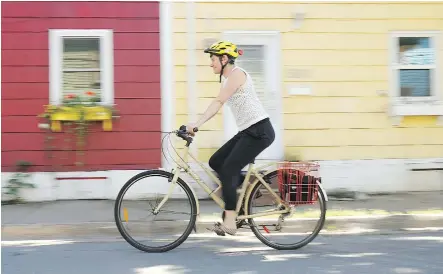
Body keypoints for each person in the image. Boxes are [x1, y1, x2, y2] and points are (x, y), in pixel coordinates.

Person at [185, 41, 275, 236]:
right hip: (248, 130)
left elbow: (218, 102)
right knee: (216, 161)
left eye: (213, 59)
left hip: (259, 131)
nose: (211, 63)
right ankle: (248, 187)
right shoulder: (229, 79)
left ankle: (230, 222)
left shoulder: (237, 75)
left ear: (224, 59)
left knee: (228, 169)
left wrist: (196, 125)